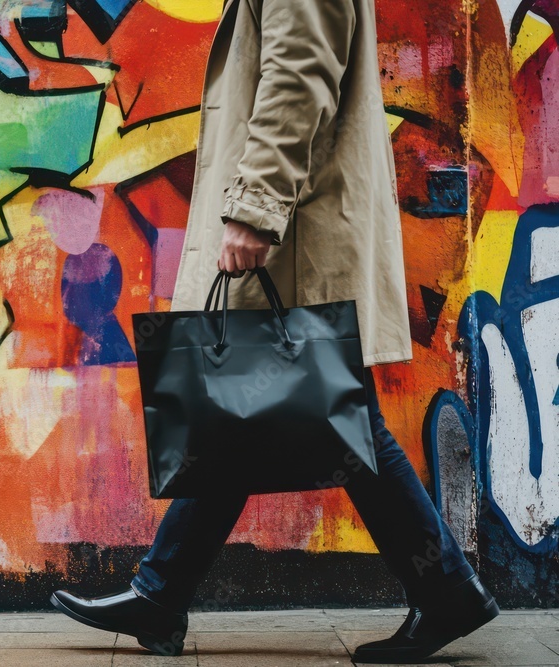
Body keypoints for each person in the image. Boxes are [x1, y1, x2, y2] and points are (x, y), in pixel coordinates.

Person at [49, 0, 499, 661]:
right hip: (301, 218)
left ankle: (446, 590)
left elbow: (299, 71)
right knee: (249, 404)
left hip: (294, 224)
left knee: (326, 407)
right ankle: (163, 591)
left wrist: (256, 208)